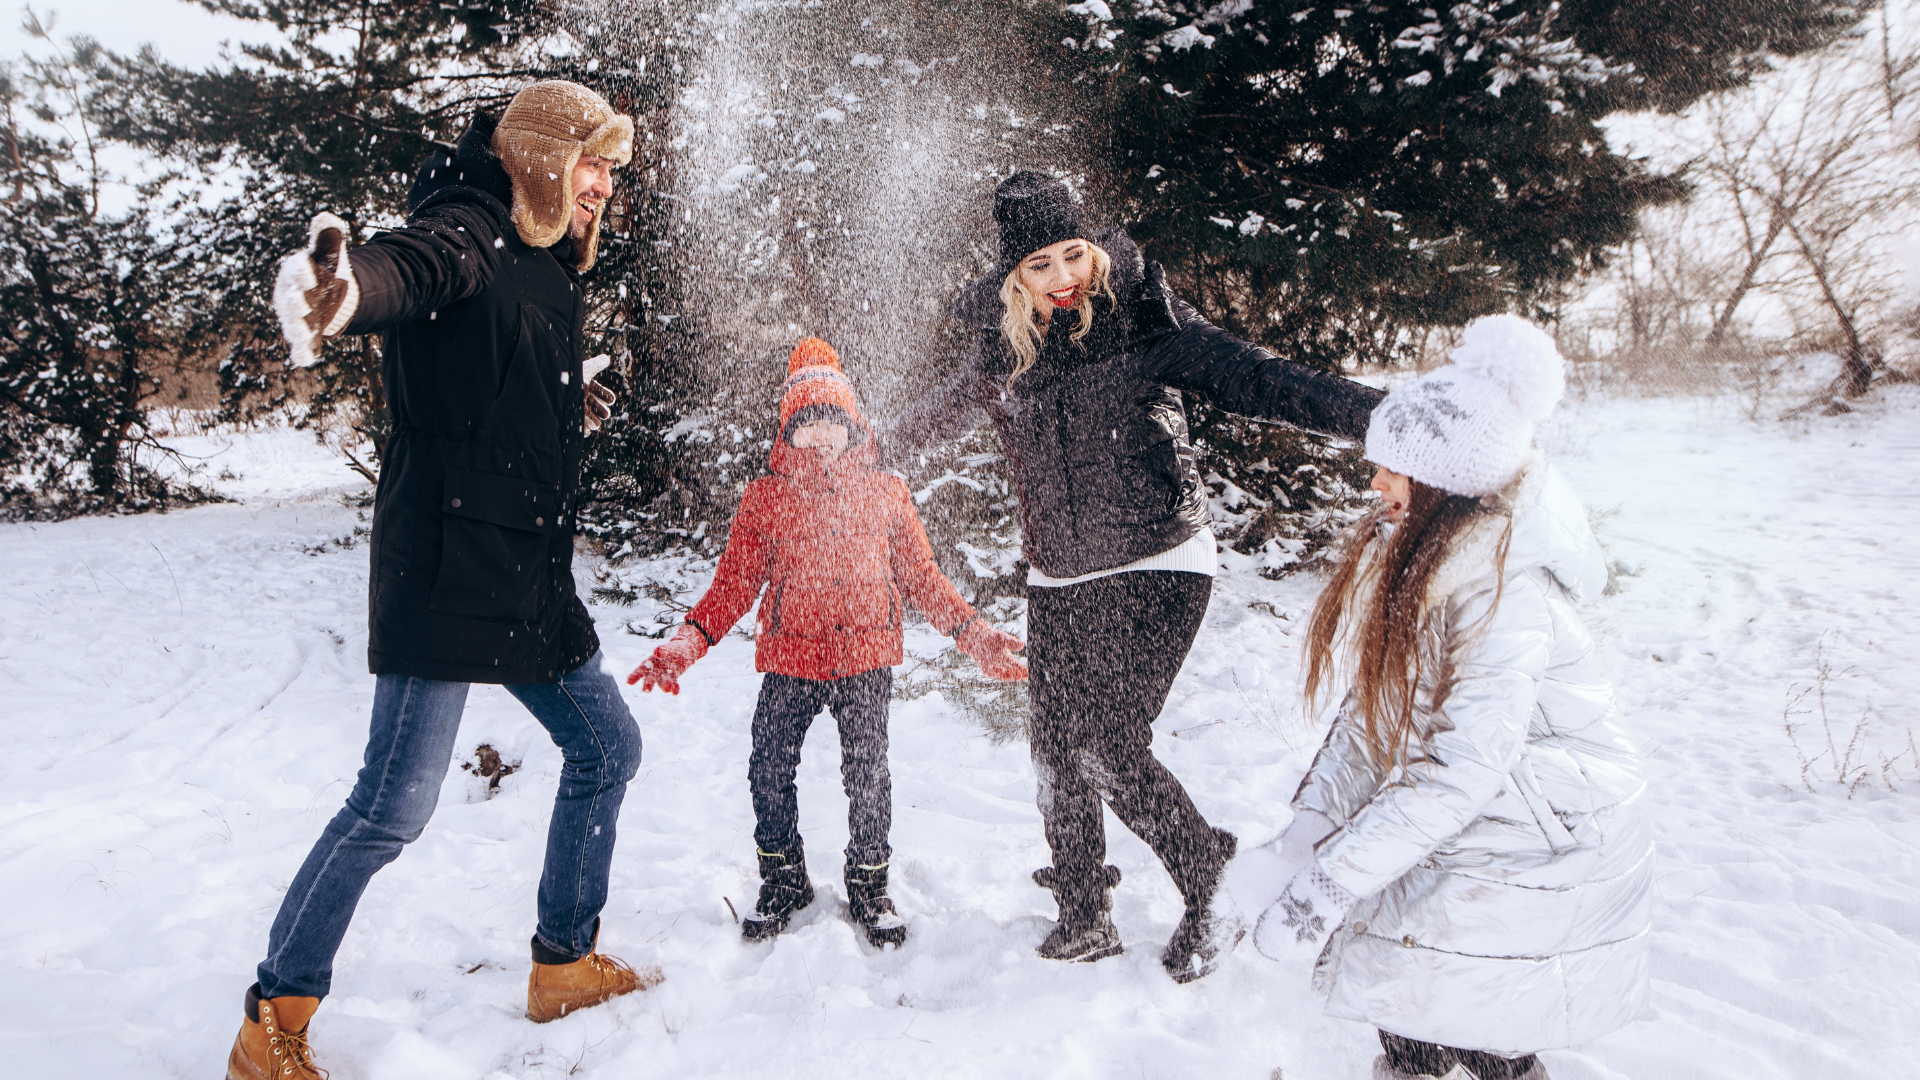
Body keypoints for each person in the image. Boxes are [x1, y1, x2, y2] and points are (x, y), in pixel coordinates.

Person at [230, 82, 649, 1080]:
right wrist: (341, 295)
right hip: (447, 569)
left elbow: (493, 379)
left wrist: (568, 404)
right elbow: (407, 272)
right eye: (591, 162)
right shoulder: (467, 225)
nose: (602, 185)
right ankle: (272, 1021)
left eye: (610, 170)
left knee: (606, 747)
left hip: (525, 571)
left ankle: (564, 961)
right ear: (541, 156)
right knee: (392, 808)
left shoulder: (546, 262)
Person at [879, 171, 1385, 982]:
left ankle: (1212, 885)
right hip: (1059, 574)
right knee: (1054, 750)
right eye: (1039, 266)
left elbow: (1258, 376)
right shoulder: (1006, 353)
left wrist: (1379, 418)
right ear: (1014, 279)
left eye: (1074, 254)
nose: (1063, 278)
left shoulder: (1145, 318)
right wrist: (861, 457)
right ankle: (1083, 914)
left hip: (1158, 558)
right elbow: (938, 414)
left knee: (1108, 745)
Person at [1227, 316, 1652, 1080]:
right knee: (1405, 987)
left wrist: (1330, 881)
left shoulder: (1502, 590)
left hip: (1542, 833)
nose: (1376, 485)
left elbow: (1464, 768)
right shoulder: (1427, 557)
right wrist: (1309, 831)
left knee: (1466, 996)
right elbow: (1372, 716)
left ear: (1447, 485)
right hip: (1487, 813)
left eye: (1394, 471)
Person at [629, 338, 1028, 948]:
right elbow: (733, 585)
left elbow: (923, 579)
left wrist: (973, 635)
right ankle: (784, 879)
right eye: (803, 421)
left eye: (830, 419)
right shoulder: (765, 499)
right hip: (790, 659)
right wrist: (688, 641)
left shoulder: (887, 492)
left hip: (865, 660)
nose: (818, 433)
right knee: (768, 768)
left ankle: (870, 885)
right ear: (786, 432)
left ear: (853, 425)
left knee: (867, 774)